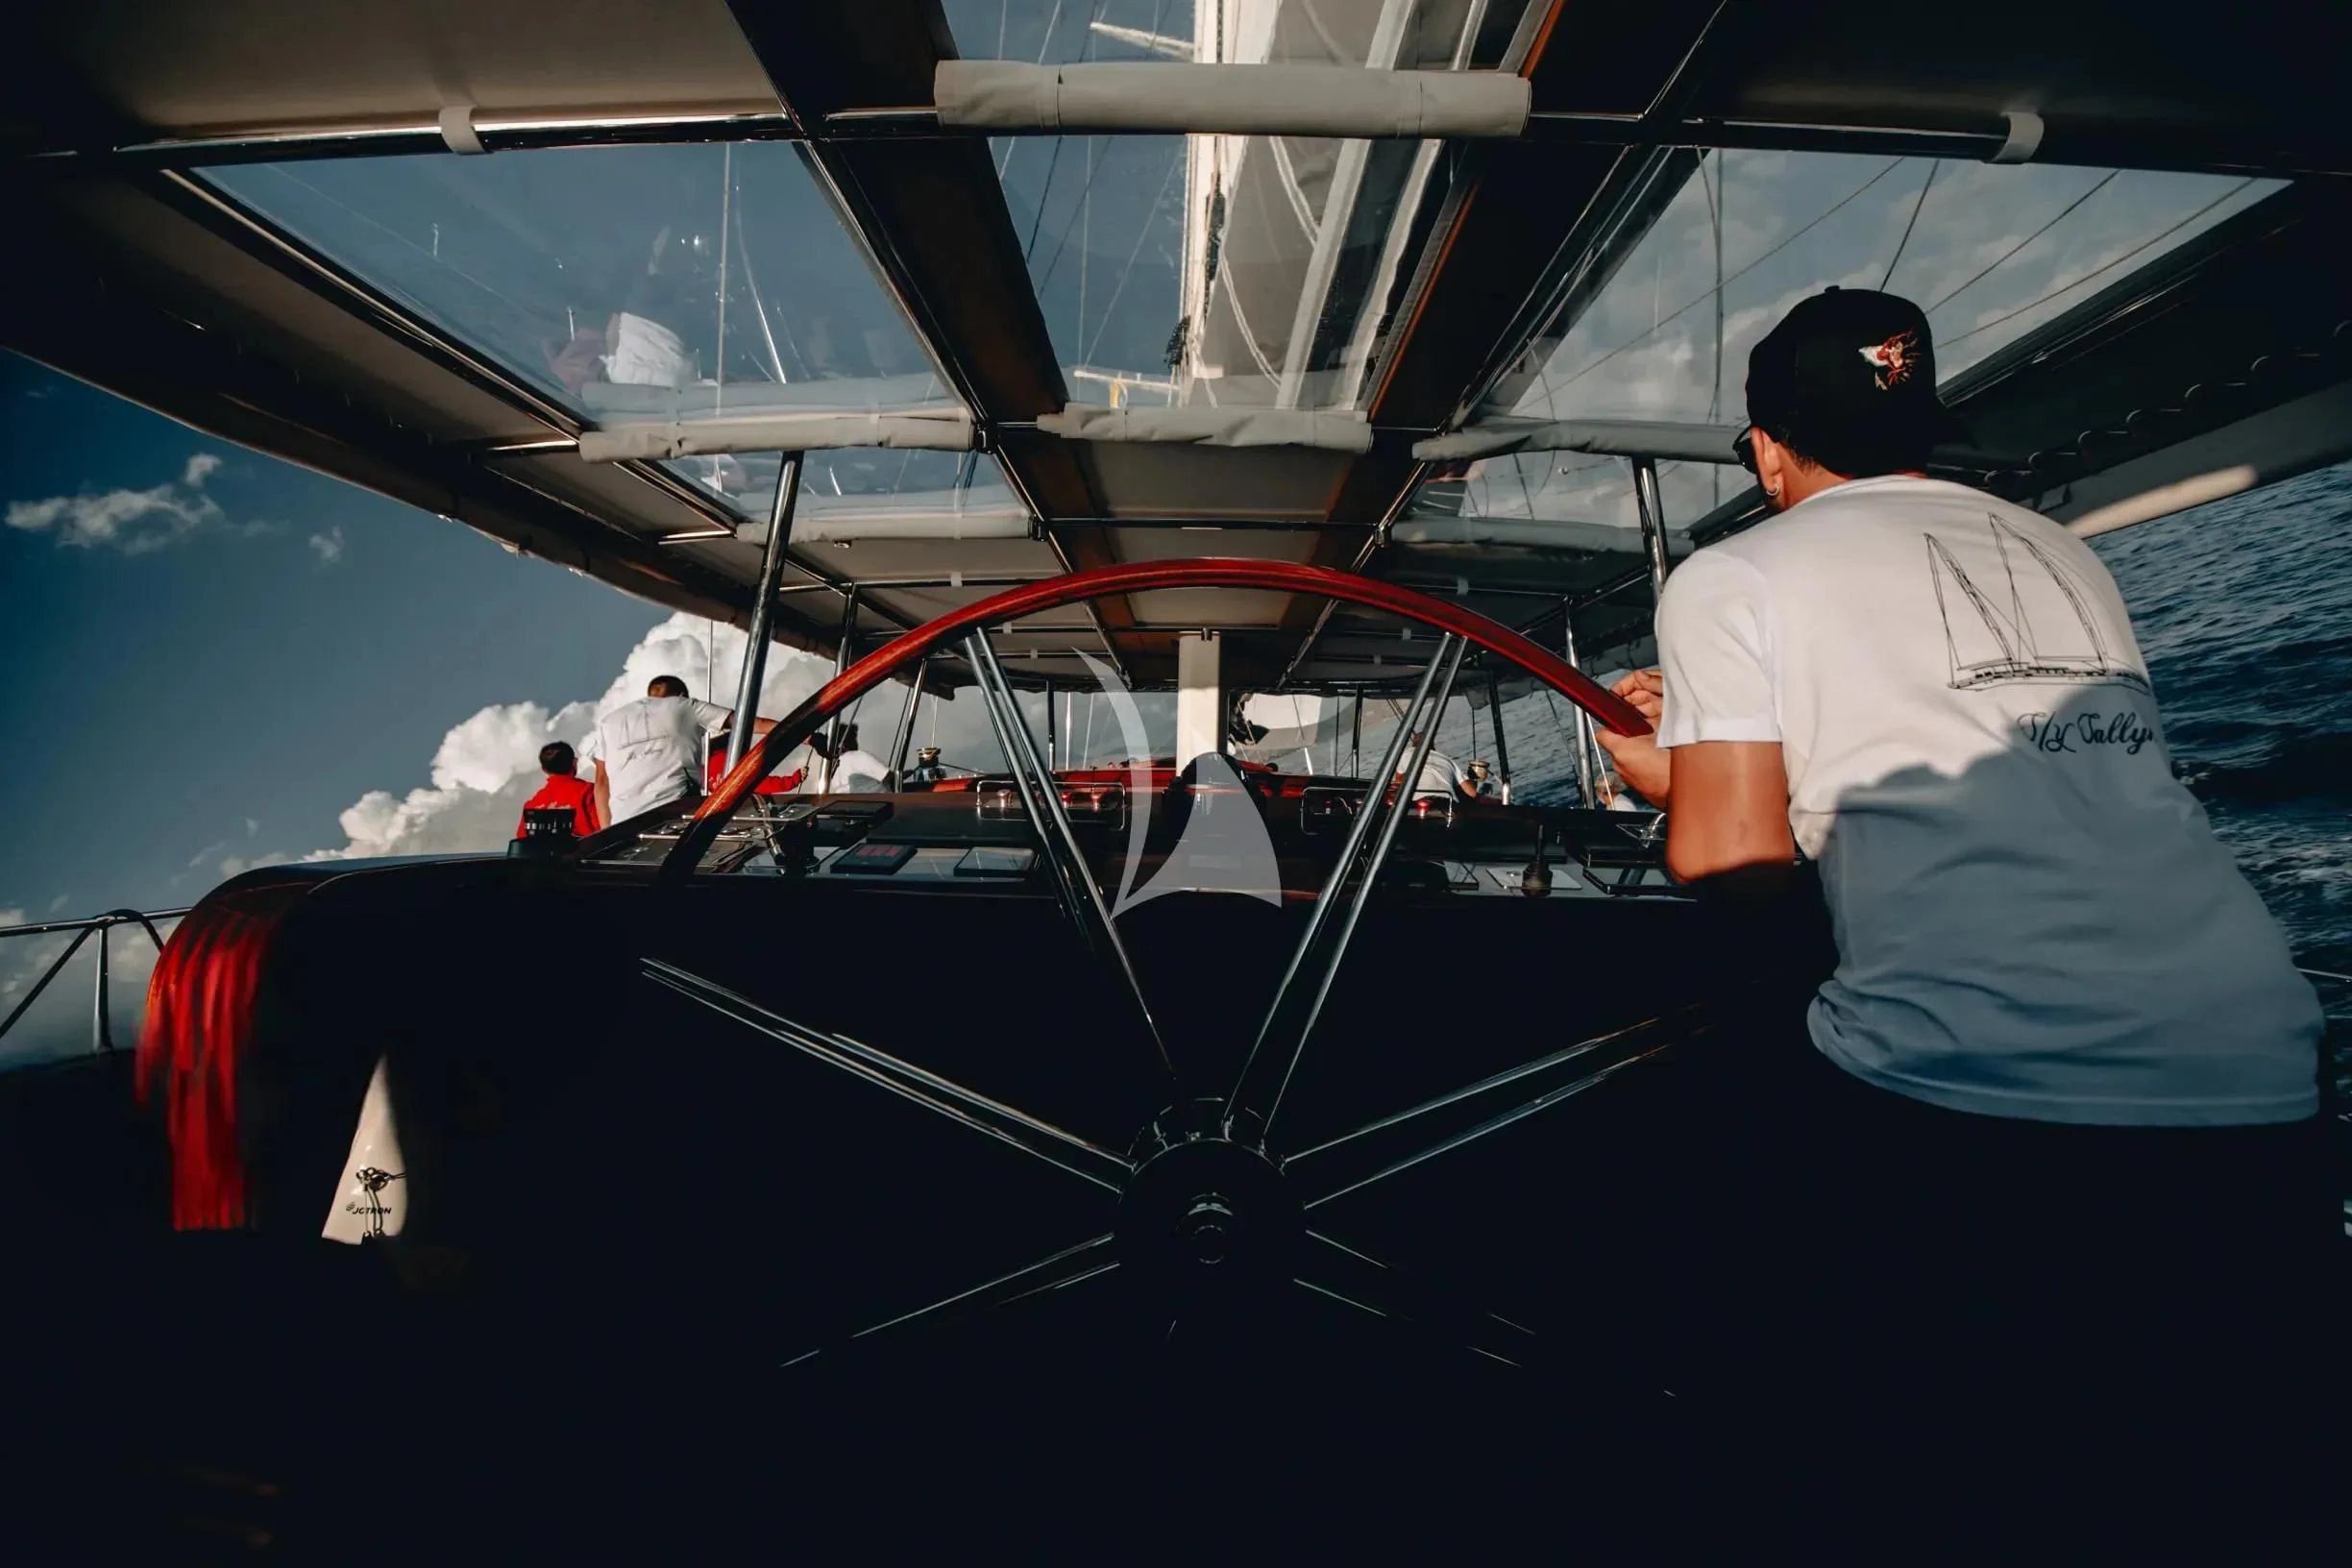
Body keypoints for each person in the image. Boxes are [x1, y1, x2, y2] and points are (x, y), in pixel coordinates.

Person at [1594, 287, 2332, 1520]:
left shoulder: (1732, 577)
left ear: (1767, 449)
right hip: (2263, 1065)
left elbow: (1731, 864)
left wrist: (1665, 778)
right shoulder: (2060, 550)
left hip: (1984, 1094)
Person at [589, 675, 777, 826]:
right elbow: (750, 723)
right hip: (676, 815)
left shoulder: (608, 721)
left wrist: (608, 831)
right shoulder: (686, 706)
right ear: (680, 695)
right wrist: (803, 732)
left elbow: (601, 782)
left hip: (623, 823)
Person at [514, 742, 600, 839]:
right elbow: (604, 832)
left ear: (544, 769)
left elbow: (522, 843)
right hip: (585, 853)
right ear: (574, 763)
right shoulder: (589, 792)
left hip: (542, 854)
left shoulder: (531, 806)